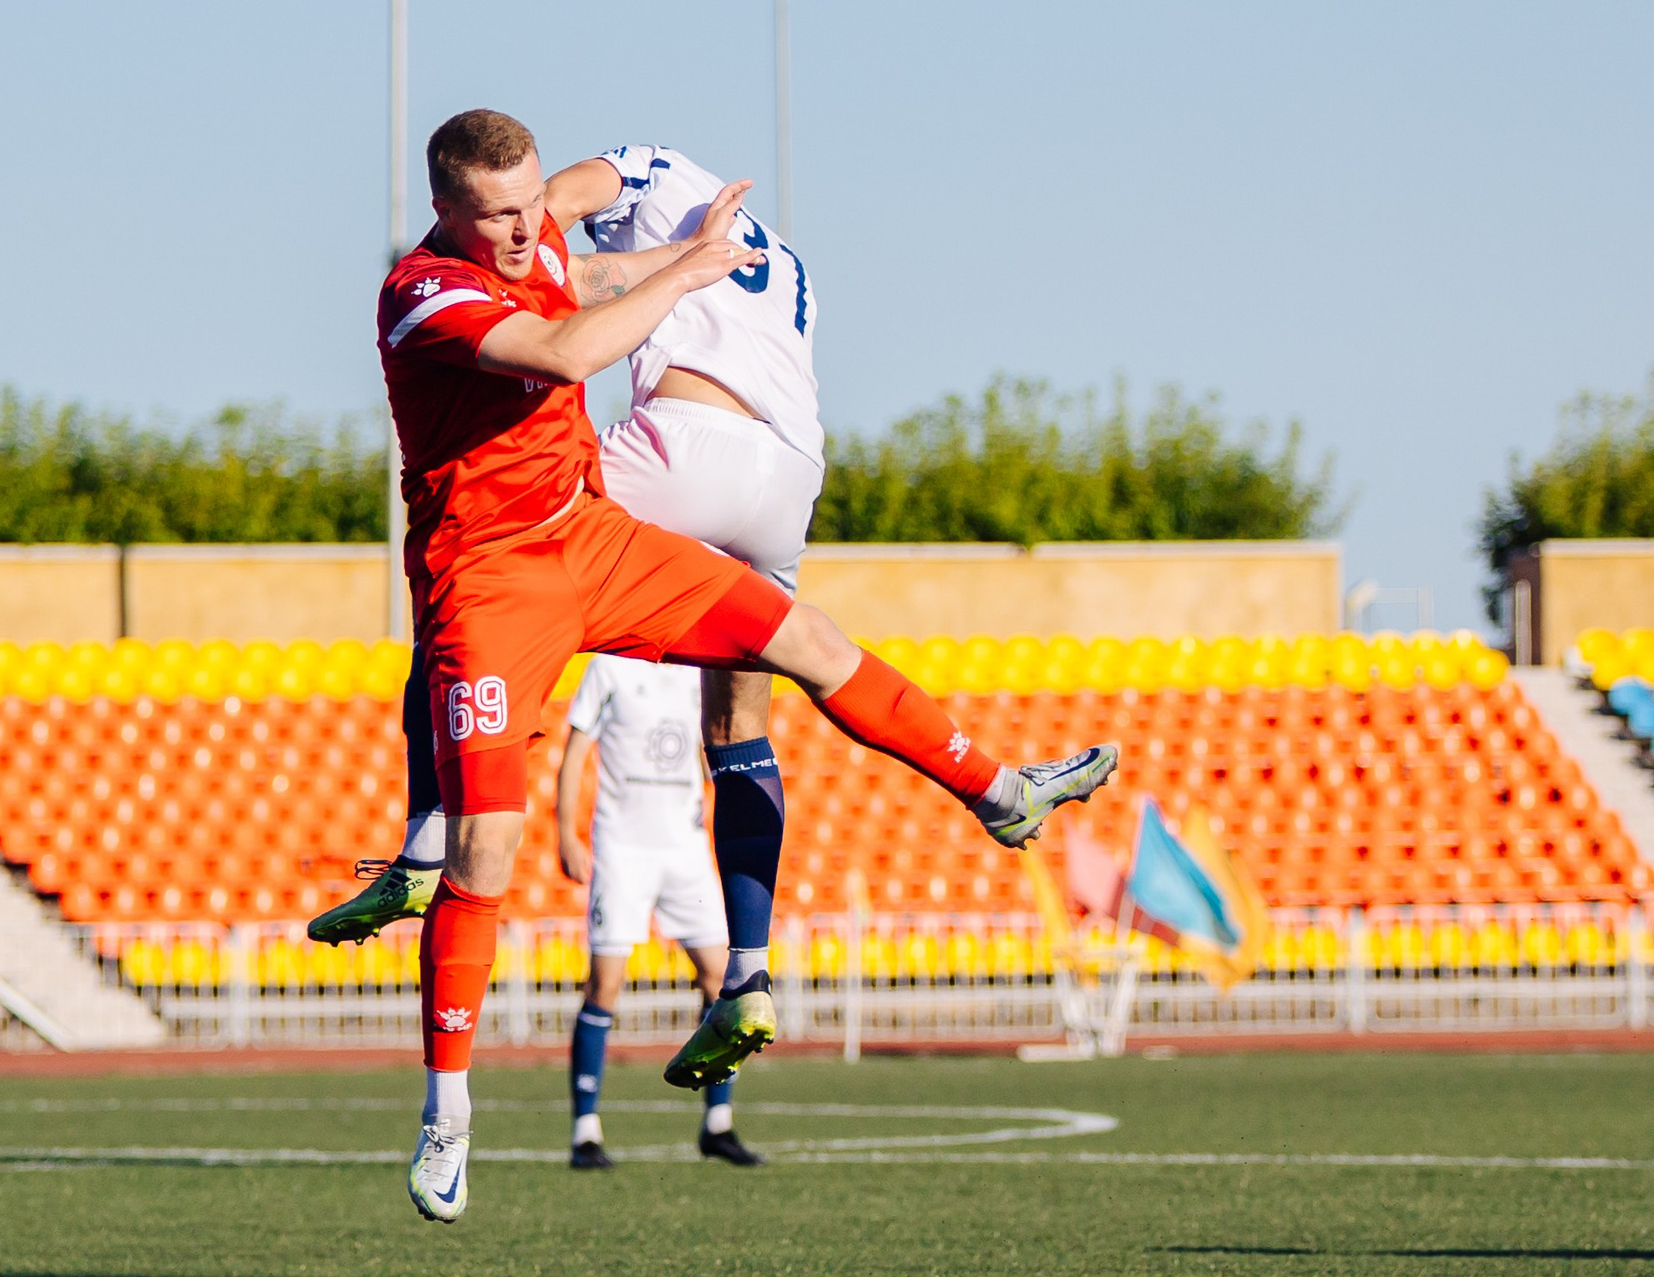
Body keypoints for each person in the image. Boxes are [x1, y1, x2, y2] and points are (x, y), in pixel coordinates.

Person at [375, 110, 1116, 1222]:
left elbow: (604, 260)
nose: (530, 226)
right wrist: (696, 276)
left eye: (535, 201)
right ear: (447, 213)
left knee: (805, 638)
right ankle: (448, 1107)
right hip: (496, 575)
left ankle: (1000, 792)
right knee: (491, 837)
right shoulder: (422, 291)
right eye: (501, 213)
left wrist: (691, 255)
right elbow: (571, 348)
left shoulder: (543, 246)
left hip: (595, 536)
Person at [315, 137, 828, 1071]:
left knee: (479, 584)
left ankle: (426, 843)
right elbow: (597, 261)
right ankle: (749, 975)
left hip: (687, 444)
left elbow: (555, 217)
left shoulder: (653, 168)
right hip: (791, 475)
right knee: (742, 721)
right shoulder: (775, 252)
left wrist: (501, 242)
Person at [555, 654, 762, 1170]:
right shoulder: (609, 667)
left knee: (723, 979)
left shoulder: (696, 671)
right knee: (604, 984)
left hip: (685, 849)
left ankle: (718, 1123)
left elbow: (717, 740)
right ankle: (586, 1130)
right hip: (624, 848)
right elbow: (576, 749)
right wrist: (566, 832)